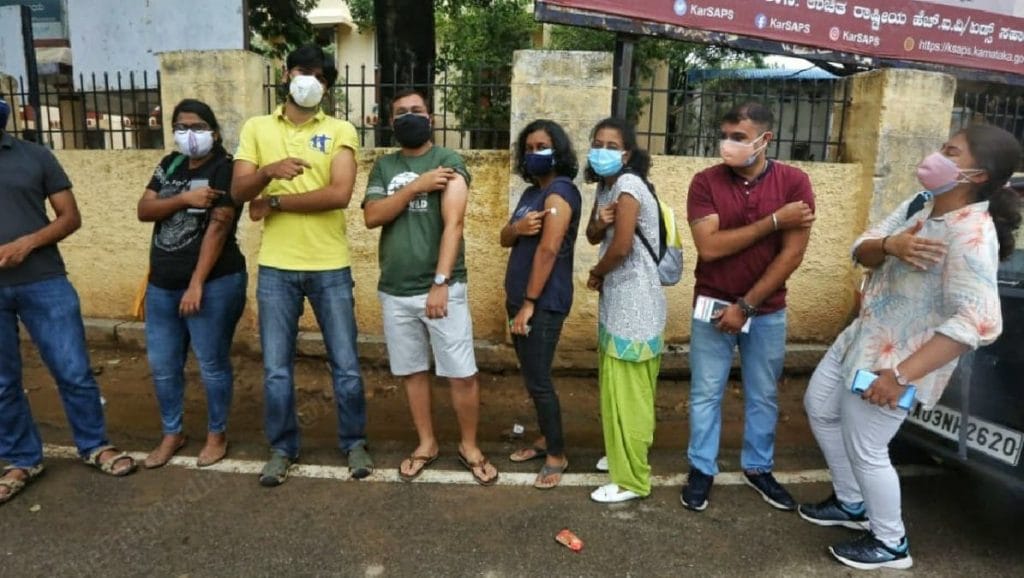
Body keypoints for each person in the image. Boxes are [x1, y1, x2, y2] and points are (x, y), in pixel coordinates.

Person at [799, 124, 1021, 570]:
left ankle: (890, 542)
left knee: (868, 448)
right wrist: (890, 245)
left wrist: (900, 376)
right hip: (860, 338)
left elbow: (981, 321)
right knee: (819, 406)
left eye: (951, 152)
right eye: (942, 147)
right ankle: (850, 503)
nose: (936, 156)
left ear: (976, 175)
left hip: (896, 362)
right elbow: (860, 247)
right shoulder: (920, 205)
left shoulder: (970, 234)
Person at [231, 45, 372, 486]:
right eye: (302, 71)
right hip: (276, 267)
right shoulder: (256, 127)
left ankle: (354, 442)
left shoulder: (340, 129)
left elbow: (339, 195)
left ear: (327, 87)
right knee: (276, 368)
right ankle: (282, 448)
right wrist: (268, 170)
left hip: (330, 265)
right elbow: (238, 192)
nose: (309, 80)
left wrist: (273, 200)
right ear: (287, 74)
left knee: (345, 363)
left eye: (319, 76)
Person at [0, 95, 137, 506]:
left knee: (73, 369)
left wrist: (29, 242)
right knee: (2, 382)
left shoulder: (35, 156)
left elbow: (69, 217)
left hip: (44, 280)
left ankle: (95, 445)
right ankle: (22, 459)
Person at [681, 102, 816, 513]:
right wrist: (774, 222)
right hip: (712, 304)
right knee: (706, 392)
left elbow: (792, 256)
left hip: (767, 310)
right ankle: (701, 468)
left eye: (738, 137)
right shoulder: (705, 183)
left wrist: (747, 305)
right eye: (725, 135)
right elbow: (710, 246)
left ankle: (758, 468)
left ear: (764, 140)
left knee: (763, 395)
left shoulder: (795, 183)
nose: (728, 144)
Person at [362, 89, 498, 486]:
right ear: (391, 122)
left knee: (461, 373)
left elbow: (454, 222)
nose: (409, 116)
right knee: (413, 371)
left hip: (442, 288)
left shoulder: (449, 162)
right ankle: (427, 444)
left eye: (416, 111)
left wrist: (440, 282)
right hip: (395, 289)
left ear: (431, 118)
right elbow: (373, 216)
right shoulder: (384, 168)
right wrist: (415, 187)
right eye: (401, 112)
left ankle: (469, 445)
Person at [137, 99, 246, 469]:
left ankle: (217, 434)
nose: (190, 134)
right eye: (182, 127)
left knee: (211, 362)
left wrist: (196, 283)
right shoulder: (170, 164)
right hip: (162, 283)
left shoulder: (226, 169)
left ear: (214, 132)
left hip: (213, 283)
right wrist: (184, 198)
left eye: (198, 127)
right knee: (163, 364)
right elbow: (144, 209)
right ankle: (172, 433)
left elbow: (219, 226)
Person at [584, 117, 666, 503]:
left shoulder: (629, 185)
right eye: (597, 143)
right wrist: (599, 222)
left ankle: (633, 479)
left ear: (627, 153)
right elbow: (592, 235)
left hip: (634, 304)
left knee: (629, 392)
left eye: (611, 145)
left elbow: (622, 248)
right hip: (620, 302)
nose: (602, 150)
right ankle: (623, 454)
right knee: (620, 388)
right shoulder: (606, 186)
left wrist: (597, 273)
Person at [501, 119, 581, 489]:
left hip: (543, 303)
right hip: (520, 299)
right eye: (529, 148)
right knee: (533, 377)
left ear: (558, 150)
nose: (534, 154)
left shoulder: (561, 192)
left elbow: (549, 250)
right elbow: (506, 237)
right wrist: (517, 229)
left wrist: (530, 303)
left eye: (542, 147)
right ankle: (545, 438)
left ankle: (557, 454)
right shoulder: (531, 193)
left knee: (539, 380)